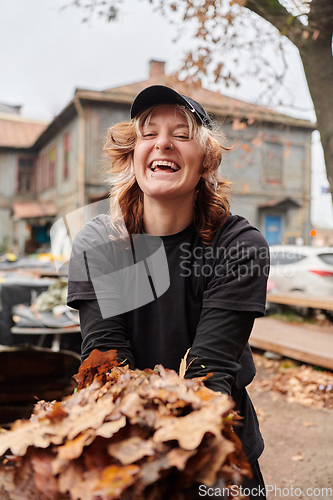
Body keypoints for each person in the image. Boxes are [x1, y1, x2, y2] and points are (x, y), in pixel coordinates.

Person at [67, 85, 270, 499]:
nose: (163, 142)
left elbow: (207, 372)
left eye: (182, 134)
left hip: (215, 451)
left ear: (205, 163)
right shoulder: (101, 242)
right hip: (122, 448)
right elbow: (107, 365)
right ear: (132, 156)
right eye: (149, 133)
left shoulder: (238, 245)